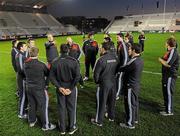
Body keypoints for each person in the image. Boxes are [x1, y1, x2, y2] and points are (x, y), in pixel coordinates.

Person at [50, 44, 81, 135]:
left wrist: (59, 87)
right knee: (71, 108)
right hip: (71, 87)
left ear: (60, 51)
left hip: (60, 87)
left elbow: (51, 77)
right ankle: (71, 128)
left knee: (61, 108)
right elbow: (77, 77)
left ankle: (62, 129)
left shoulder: (55, 61)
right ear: (68, 50)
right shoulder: (74, 61)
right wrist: (71, 89)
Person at [24, 46, 56, 131]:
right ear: (38, 53)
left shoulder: (25, 63)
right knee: (43, 106)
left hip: (29, 88)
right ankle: (46, 125)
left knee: (31, 104)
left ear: (30, 53)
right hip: (39, 88)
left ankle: (32, 121)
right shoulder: (41, 64)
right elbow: (48, 74)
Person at [91, 42, 119, 126]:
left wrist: (97, 82)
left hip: (104, 83)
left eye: (100, 47)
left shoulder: (100, 59)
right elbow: (117, 70)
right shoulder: (116, 57)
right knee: (112, 101)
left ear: (104, 49)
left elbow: (95, 74)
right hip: (113, 82)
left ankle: (98, 121)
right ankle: (111, 117)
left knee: (101, 102)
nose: (99, 48)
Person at [119, 43, 144, 129]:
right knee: (134, 103)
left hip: (130, 85)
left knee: (129, 104)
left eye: (129, 49)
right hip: (135, 84)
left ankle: (130, 123)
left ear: (134, 50)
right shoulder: (140, 59)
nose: (128, 50)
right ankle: (135, 118)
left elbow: (123, 68)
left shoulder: (133, 61)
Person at [158, 37, 179, 116]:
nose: (165, 43)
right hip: (166, 75)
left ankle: (169, 111)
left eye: (166, 42)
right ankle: (166, 105)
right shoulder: (169, 51)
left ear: (168, 43)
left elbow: (168, 64)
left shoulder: (173, 51)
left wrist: (160, 60)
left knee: (169, 92)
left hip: (170, 75)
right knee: (165, 91)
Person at [15, 42, 28, 119]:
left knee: (24, 95)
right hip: (22, 79)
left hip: (23, 78)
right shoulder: (19, 55)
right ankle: (21, 113)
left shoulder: (22, 55)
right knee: (23, 96)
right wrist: (28, 75)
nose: (26, 47)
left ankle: (24, 109)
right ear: (21, 48)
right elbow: (20, 69)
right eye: (25, 46)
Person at [116, 32, 129, 100]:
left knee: (119, 79)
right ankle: (122, 92)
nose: (116, 39)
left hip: (122, 66)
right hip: (120, 65)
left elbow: (126, 57)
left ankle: (117, 94)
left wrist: (122, 67)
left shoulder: (123, 45)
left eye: (118, 37)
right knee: (119, 79)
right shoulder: (119, 44)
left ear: (122, 37)